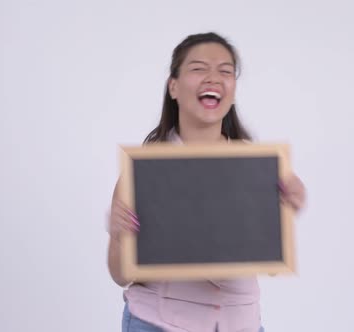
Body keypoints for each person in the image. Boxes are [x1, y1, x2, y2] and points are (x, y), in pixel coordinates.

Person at [107, 32, 306, 332]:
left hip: (241, 324)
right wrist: (120, 234)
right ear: (173, 87)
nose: (213, 77)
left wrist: (284, 216)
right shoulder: (143, 169)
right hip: (158, 323)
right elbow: (120, 275)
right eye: (199, 68)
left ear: (233, 89)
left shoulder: (258, 167)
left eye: (225, 71)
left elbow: (270, 265)